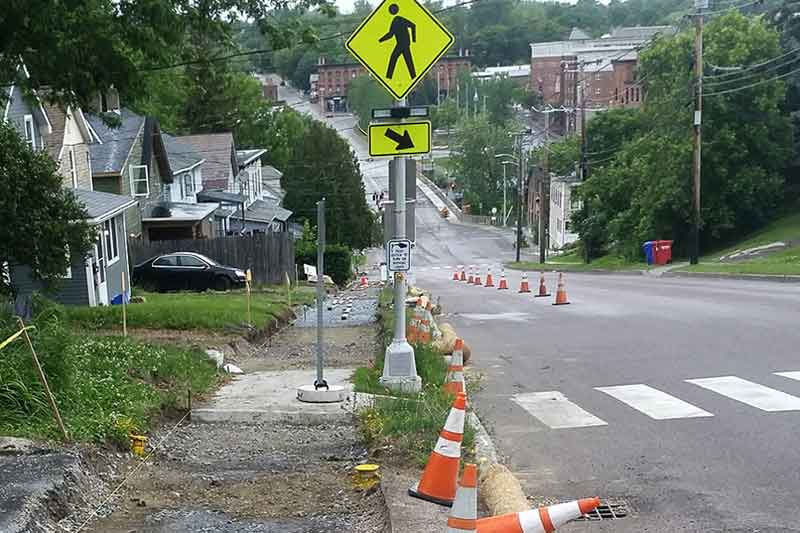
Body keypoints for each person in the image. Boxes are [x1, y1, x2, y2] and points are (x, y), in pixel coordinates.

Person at [379, 4, 416, 80]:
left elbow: (413, 25)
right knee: (407, 60)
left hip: (404, 43)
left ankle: (389, 77)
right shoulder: (394, 21)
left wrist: (414, 39)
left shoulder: (399, 19)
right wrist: (380, 40)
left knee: (394, 58)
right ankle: (413, 76)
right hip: (401, 44)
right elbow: (390, 34)